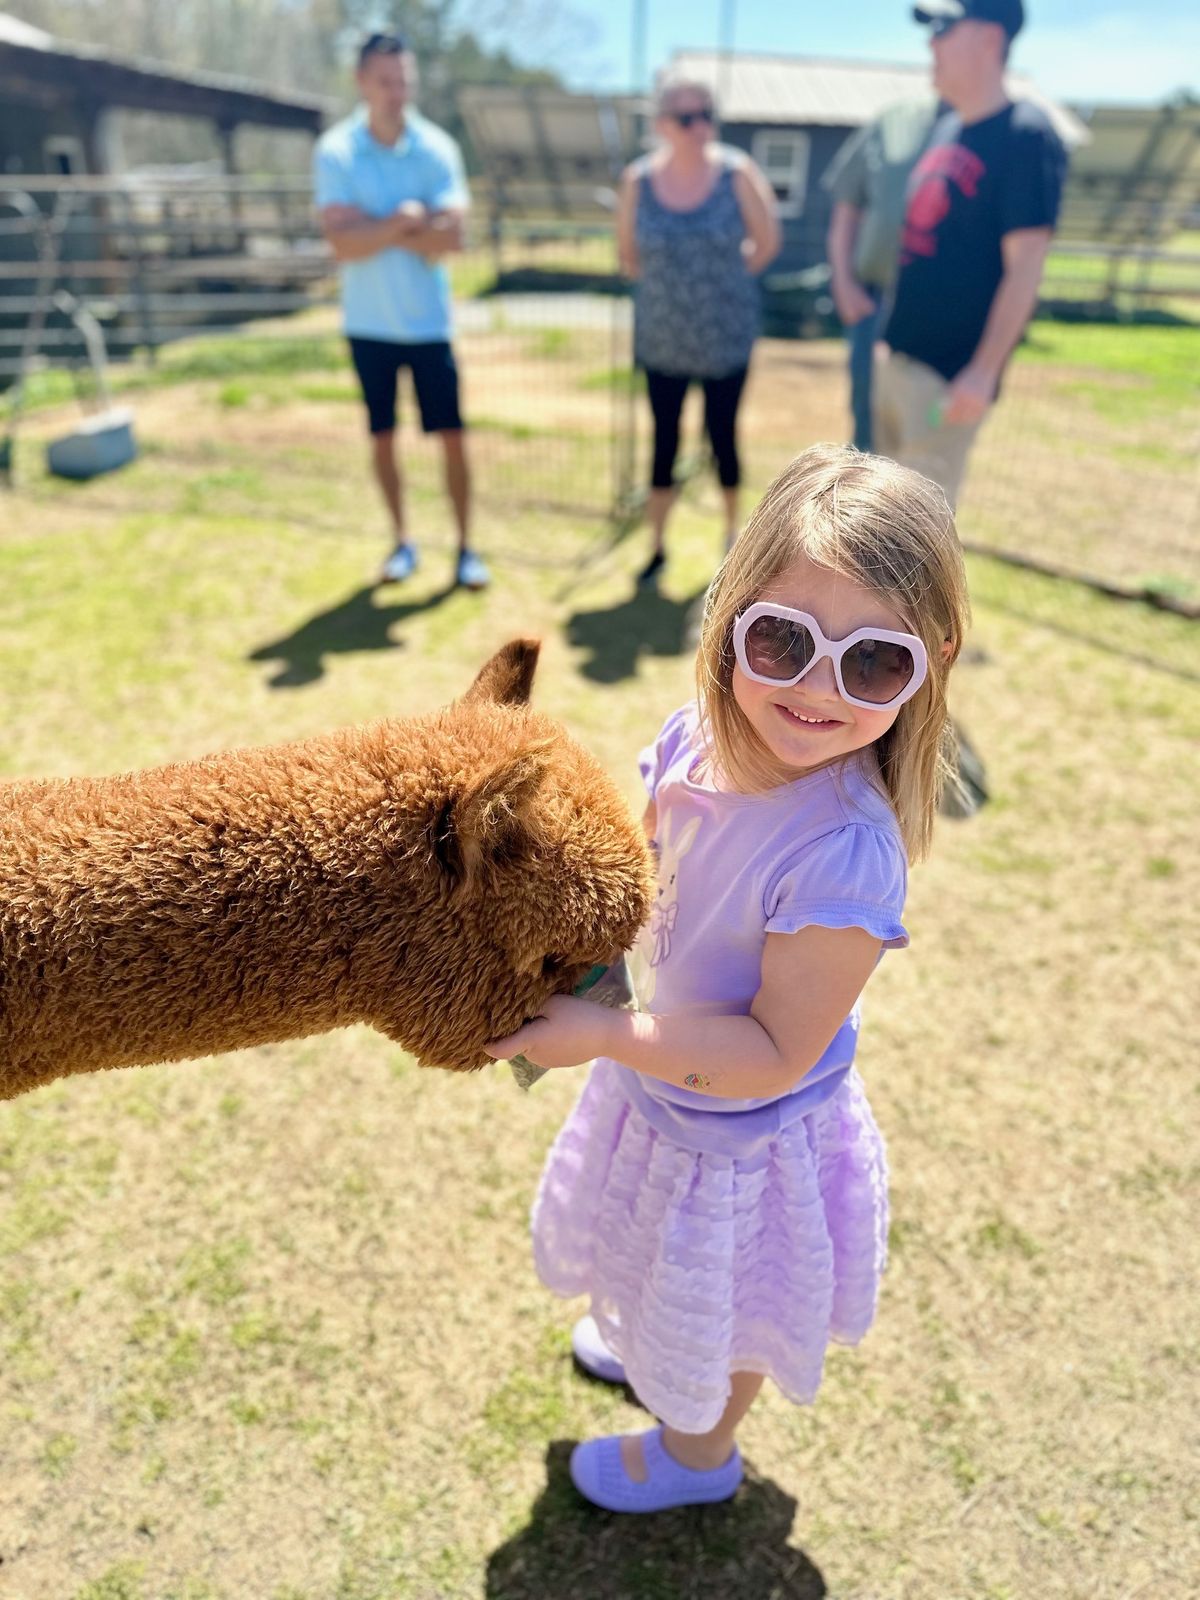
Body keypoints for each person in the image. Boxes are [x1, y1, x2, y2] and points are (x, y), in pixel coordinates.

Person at [486, 444, 969, 1512]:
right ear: (732, 613)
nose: (814, 688)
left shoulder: (844, 852)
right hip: (658, 1081)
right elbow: (648, 875)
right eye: (785, 639)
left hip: (737, 1134)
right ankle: (655, 1349)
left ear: (933, 659)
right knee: (656, 1258)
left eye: (872, 662)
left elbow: (769, 1053)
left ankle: (699, 1456)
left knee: (726, 1298)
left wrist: (606, 1036)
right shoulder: (696, 732)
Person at [314, 33, 489, 590]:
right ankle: (402, 542)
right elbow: (340, 245)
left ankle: (465, 548)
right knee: (383, 438)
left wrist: (372, 227)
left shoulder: (437, 147)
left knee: (452, 438)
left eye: (404, 81)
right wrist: (407, 221)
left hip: (429, 325)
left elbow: (454, 237)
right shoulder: (336, 150)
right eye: (386, 81)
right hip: (368, 327)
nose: (397, 93)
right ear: (362, 81)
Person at [875, 0, 1067, 508]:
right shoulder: (946, 128)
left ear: (990, 38)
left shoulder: (1025, 134)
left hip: (948, 379)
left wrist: (983, 371)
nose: (930, 42)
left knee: (912, 542)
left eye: (944, 27)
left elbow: (1026, 267)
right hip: (899, 360)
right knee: (874, 525)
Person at [616, 76, 781, 587]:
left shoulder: (737, 174)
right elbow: (627, 258)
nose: (699, 127)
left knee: (723, 438)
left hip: (725, 340)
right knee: (663, 444)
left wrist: (722, 286)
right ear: (662, 125)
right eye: (687, 118)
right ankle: (657, 548)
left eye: (707, 114)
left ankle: (733, 544)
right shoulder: (637, 181)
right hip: (663, 341)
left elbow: (767, 241)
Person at [823, 97, 940, 451]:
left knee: (928, 432)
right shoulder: (891, 122)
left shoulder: (987, 131)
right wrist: (842, 281)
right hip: (875, 304)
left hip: (941, 312)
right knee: (869, 424)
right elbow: (846, 208)